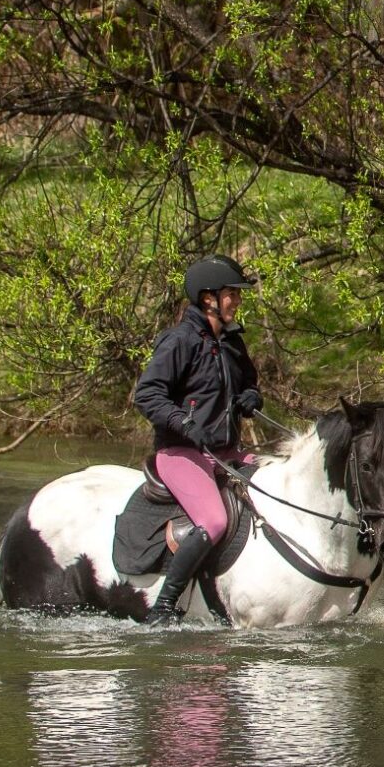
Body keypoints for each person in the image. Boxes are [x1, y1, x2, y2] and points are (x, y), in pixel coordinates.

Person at [129, 255, 265, 624]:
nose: (237, 301)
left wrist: (251, 396)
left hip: (226, 451)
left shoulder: (233, 344)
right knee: (214, 520)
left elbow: (249, 382)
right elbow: (148, 395)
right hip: (181, 452)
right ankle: (164, 607)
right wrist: (184, 423)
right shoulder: (179, 342)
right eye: (231, 294)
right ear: (208, 298)